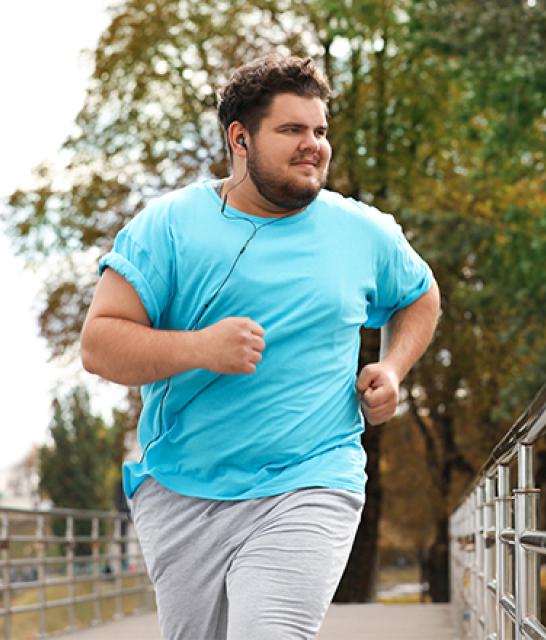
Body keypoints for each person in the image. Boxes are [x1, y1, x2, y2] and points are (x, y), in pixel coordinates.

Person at [79, 54, 441, 639]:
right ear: (240, 139)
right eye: (292, 130)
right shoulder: (167, 226)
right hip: (182, 488)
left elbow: (421, 296)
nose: (314, 146)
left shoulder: (362, 231)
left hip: (312, 476)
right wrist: (199, 348)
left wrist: (393, 367)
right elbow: (98, 345)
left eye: (320, 131)